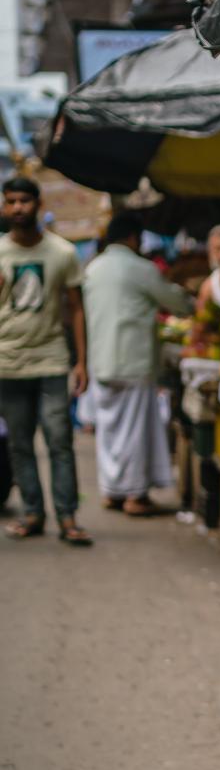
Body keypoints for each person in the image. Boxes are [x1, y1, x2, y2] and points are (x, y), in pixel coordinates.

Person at [0, 175, 92, 543]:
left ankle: (68, 518)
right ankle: (33, 513)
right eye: (11, 201)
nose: (17, 207)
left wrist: (82, 361)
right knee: (19, 442)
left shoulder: (63, 253)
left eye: (24, 201)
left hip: (52, 360)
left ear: (38, 205)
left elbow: (76, 310)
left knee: (59, 440)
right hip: (7, 362)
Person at [82, 212, 192, 515]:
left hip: (101, 360)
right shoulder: (140, 268)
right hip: (133, 360)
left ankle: (112, 491)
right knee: (133, 431)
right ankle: (133, 495)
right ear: (133, 238)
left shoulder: (93, 267)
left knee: (109, 431)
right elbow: (176, 302)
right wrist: (191, 299)